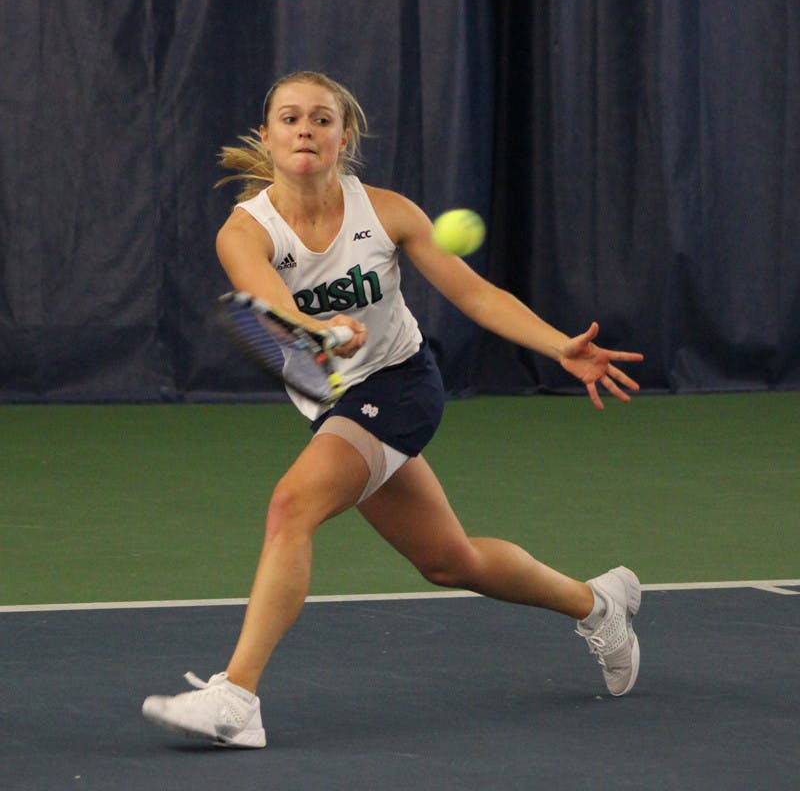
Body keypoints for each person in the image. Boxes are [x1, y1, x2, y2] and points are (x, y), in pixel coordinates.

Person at [142, 71, 645, 749]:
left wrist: (562, 348)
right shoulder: (244, 231)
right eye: (290, 118)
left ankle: (237, 698)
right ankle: (597, 603)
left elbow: (476, 296)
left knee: (292, 505)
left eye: (322, 119)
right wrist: (320, 332)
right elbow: (270, 303)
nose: (306, 130)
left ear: (343, 136)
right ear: (267, 136)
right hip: (339, 402)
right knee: (450, 561)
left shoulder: (387, 212)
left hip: (402, 383)